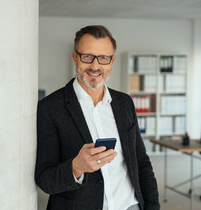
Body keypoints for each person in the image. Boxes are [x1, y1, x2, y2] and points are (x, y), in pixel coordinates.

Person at [35, 25, 160, 210]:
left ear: (112, 61)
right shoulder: (50, 107)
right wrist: (76, 167)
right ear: (75, 57)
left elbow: (141, 163)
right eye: (87, 56)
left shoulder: (124, 103)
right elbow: (44, 179)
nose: (95, 66)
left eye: (103, 58)